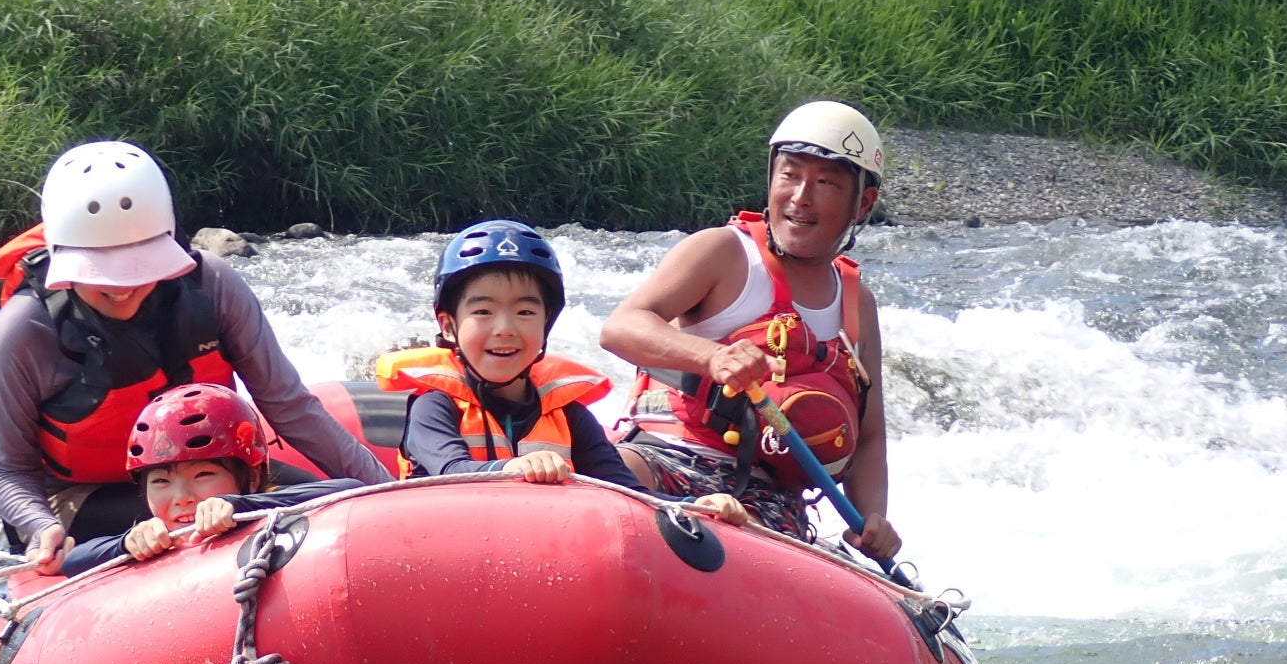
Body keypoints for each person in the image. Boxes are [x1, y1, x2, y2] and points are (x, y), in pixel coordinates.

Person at [0, 140, 392, 574]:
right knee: (180, 522)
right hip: (84, 498)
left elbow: (288, 404)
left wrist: (388, 493)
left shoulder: (211, 285)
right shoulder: (23, 331)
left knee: (340, 501)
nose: (123, 287)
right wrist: (40, 527)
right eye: (101, 271)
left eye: (138, 267)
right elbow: (4, 471)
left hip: (214, 482)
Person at [597, 101, 901, 562]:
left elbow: (870, 433)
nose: (801, 196)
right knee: (606, 476)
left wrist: (873, 516)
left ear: (862, 203)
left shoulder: (858, 304)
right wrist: (711, 357)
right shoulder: (722, 252)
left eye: (826, 184)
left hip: (767, 497)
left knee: (752, 543)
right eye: (790, 175)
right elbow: (622, 327)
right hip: (666, 454)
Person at [372, 220, 746, 527]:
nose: (505, 328)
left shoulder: (567, 413)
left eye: (525, 312)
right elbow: (451, 470)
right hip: (444, 546)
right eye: (483, 312)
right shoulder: (434, 406)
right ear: (449, 326)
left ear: (546, 325)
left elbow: (627, 492)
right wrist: (512, 468)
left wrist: (698, 505)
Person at [61, 385, 360, 575]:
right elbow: (73, 561)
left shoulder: (254, 507)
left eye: (203, 475)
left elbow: (351, 490)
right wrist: (126, 543)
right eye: (160, 482)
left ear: (252, 478)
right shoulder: (156, 534)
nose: (182, 497)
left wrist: (242, 507)